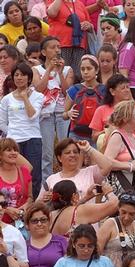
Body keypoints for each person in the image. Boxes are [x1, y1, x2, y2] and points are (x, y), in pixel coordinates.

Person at [33, 36, 74, 184]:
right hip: (45, 114)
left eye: (58, 46)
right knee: (47, 153)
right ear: (43, 52)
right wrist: (49, 69)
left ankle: (68, 183)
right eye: (52, 47)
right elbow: (38, 89)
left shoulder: (68, 69)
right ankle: (47, 187)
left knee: (66, 150)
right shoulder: (36, 70)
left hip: (63, 113)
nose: (57, 50)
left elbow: (68, 92)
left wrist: (60, 72)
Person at [0, 61, 43, 198]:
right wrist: (13, 132)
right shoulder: (7, 99)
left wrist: (25, 98)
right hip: (14, 141)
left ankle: (33, 203)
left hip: (33, 138)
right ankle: (17, 200)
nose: (19, 78)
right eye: (16, 75)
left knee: (34, 173)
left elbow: (32, 116)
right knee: (16, 171)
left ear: (29, 78)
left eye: (23, 75)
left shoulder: (38, 96)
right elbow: (2, 122)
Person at [104, 100, 135, 199]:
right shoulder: (117, 136)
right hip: (124, 195)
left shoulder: (132, 134)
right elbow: (106, 161)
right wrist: (130, 166)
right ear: (127, 118)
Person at [37, 138, 112, 203]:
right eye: (67, 153)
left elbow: (107, 166)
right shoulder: (51, 179)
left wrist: (88, 148)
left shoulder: (90, 172)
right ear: (59, 158)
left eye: (75, 152)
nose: (72, 155)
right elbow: (37, 205)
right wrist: (44, 200)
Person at [89, 74, 135, 146]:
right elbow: (94, 137)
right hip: (111, 153)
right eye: (123, 88)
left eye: (128, 87)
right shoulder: (101, 110)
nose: (127, 90)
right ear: (112, 91)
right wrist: (108, 130)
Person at [49, 180, 118, 237]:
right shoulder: (80, 211)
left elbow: (68, 209)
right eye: (78, 192)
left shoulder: (50, 215)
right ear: (74, 196)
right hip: (76, 253)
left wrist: (86, 198)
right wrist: (109, 192)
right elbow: (114, 204)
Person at [97, 192, 135, 267]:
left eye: (131, 214)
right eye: (123, 212)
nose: (126, 217)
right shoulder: (110, 224)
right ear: (118, 208)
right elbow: (97, 252)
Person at [63, 55, 106, 143]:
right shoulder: (74, 89)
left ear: (97, 70)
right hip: (76, 134)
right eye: (82, 69)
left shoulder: (104, 90)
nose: (85, 72)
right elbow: (64, 115)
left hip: (98, 135)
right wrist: (69, 113)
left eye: (89, 68)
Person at [46, 0, 93, 74]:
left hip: (79, 45)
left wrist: (88, 25)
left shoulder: (80, 4)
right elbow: (52, 13)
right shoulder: (53, 1)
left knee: (77, 74)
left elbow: (89, 24)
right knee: (62, 72)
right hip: (60, 46)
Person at [25, 202, 67, 267]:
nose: (39, 224)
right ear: (27, 225)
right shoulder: (23, 245)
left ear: (49, 221)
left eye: (43, 220)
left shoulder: (61, 242)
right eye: (34, 221)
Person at [0, 138, 32, 225]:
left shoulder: (24, 171)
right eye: (9, 150)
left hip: (22, 223)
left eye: (15, 150)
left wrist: (25, 206)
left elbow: (30, 197)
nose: (13, 153)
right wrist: (6, 210)